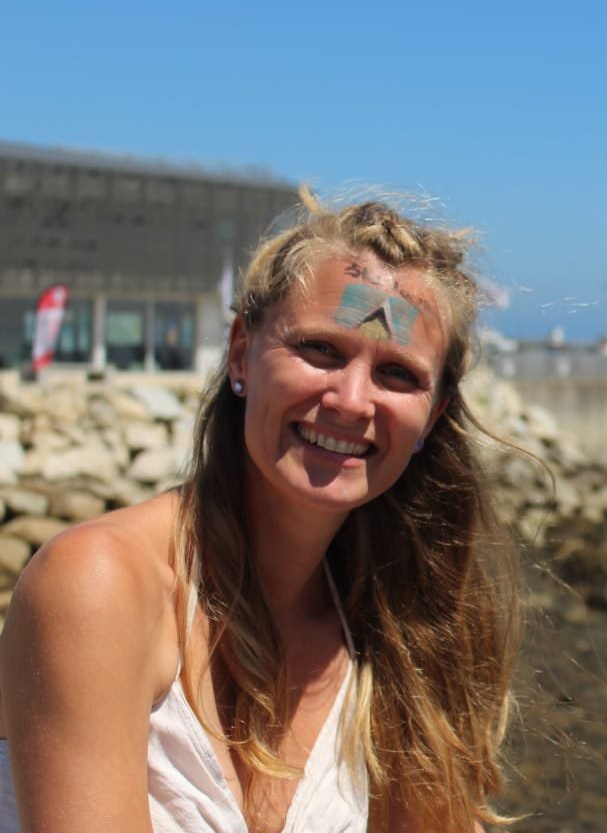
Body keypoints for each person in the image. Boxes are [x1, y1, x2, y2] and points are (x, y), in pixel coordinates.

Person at [0, 190, 517, 832]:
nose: (352, 400)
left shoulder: (402, 636)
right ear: (241, 352)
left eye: (398, 374)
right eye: (321, 350)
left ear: (431, 418)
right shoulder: (101, 584)